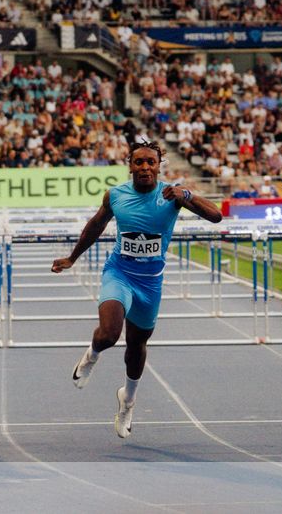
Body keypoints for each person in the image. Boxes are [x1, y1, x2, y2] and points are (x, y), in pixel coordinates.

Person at [51, 136, 222, 439]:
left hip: (150, 283)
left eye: (150, 162)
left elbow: (216, 215)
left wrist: (186, 195)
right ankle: (91, 355)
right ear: (129, 166)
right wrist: (72, 258)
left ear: (158, 167)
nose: (144, 167)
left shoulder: (172, 196)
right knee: (109, 333)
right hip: (119, 273)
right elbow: (95, 225)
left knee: (136, 346)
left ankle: (127, 400)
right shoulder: (116, 195)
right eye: (138, 162)